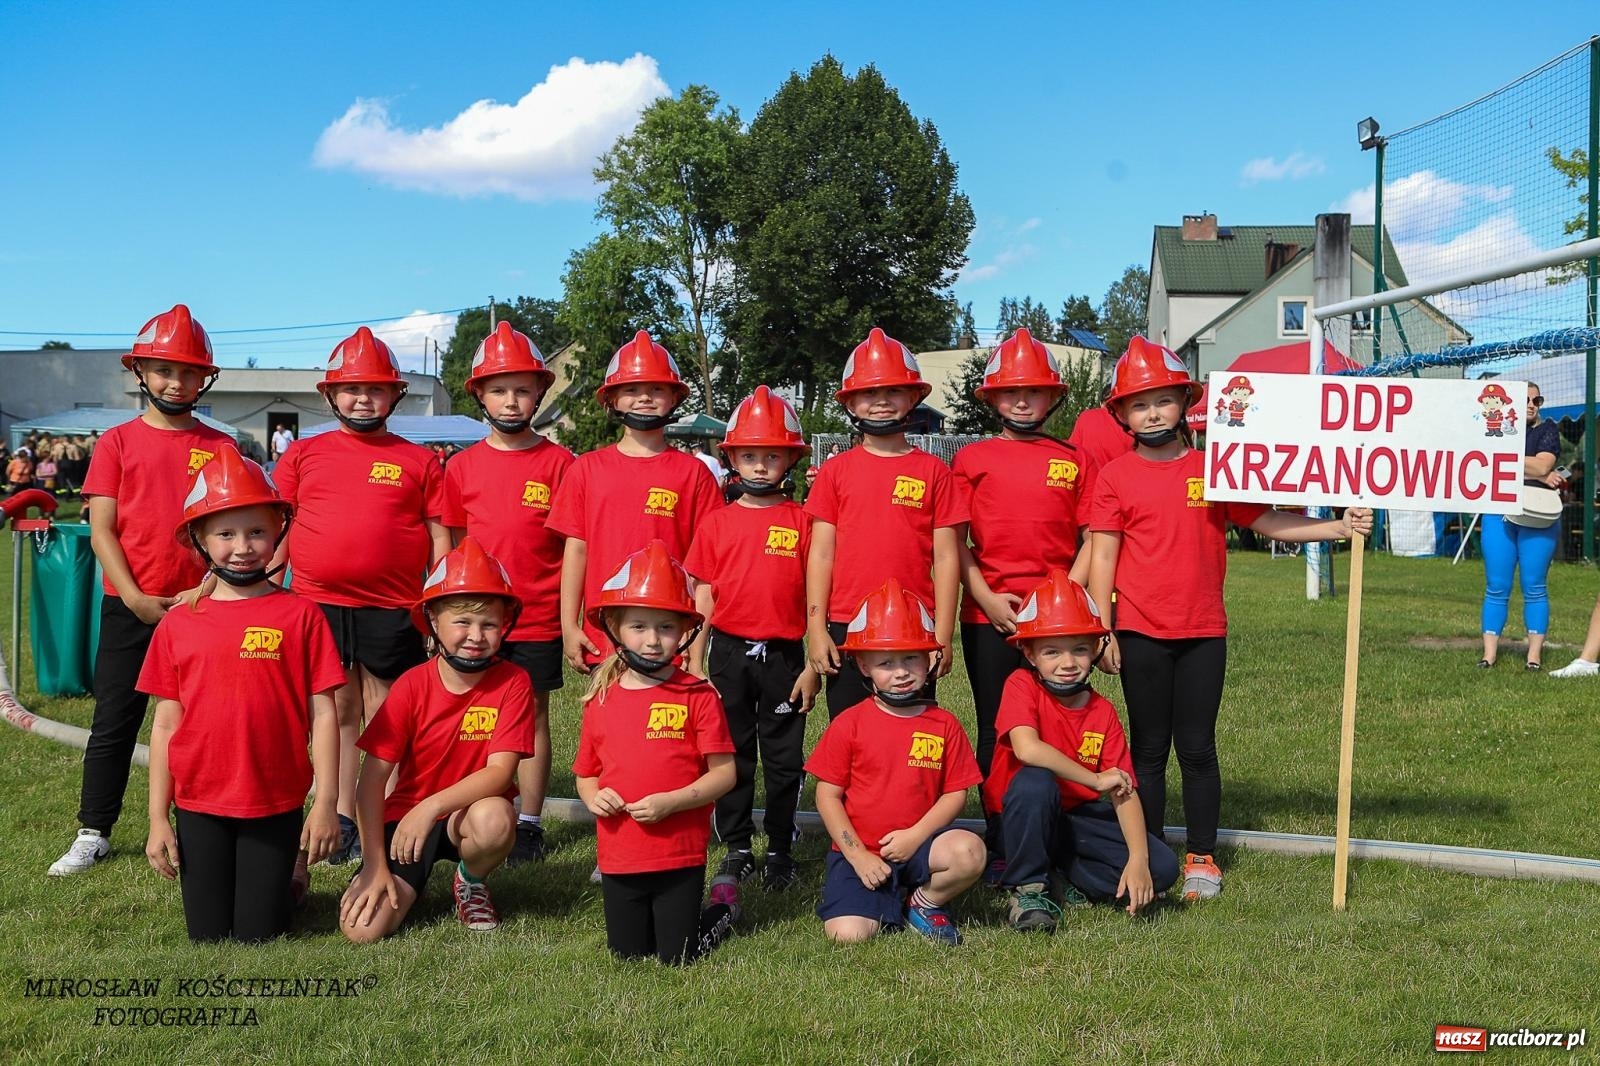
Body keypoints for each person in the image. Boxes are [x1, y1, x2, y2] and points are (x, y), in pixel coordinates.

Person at [1086, 337, 1371, 901]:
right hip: (1138, 632)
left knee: (1197, 748)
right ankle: (1149, 854)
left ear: (1184, 405)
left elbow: (1267, 519)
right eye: (1139, 405)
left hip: (1202, 633)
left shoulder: (1214, 468)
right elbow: (1102, 557)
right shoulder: (1114, 477)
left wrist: (1338, 528)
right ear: (1120, 413)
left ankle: (1202, 857)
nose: (1152, 413)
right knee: (1147, 749)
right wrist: (1103, 629)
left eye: (1163, 401)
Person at [49, 304, 235, 877]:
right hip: (130, 605)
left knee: (202, 725)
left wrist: (206, 586)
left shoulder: (221, 445)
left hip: (201, 607)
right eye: (163, 371)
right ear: (140, 373)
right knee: (115, 720)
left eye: (187, 372)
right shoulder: (117, 443)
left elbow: (232, 529)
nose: (175, 383)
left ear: (204, 378)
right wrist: (131, 596)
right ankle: (93, 831)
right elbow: (103, 530)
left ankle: (205, 825)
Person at [141, 448, 344, 941]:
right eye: (226, 534)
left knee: (259, 934)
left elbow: (324, 716)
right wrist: (157, 820)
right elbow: (166, 725)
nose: (243, 546)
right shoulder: (178, 622)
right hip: (199, 801)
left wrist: (325, 803)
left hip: (274, 799)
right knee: (207, 936)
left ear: (277, 531)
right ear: (200, 540)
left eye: (256, 531)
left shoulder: (302, 616)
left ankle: (288, 880)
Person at [274, 327, 450, 865]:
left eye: (374, 389)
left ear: (394, 395)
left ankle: (386, 815)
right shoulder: (303, 455)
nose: (362, 399)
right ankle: (342, 816)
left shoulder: (419, 461)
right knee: (336, 707)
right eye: (351, 389)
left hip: (392, 605)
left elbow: (441, 535)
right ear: (330, 395)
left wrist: (439, 602)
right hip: (316, 602)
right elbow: (277, 527)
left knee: (387, 710)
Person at [339, 538, 533, 941]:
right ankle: (401, 875)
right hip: (406, 818)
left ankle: (470, 880)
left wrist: (433, 807)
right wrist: (375, 864)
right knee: (361, 930)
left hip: (463, 815)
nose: (476, 635)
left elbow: (500, 774)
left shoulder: (514, 682)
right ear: (432, 621)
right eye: (462, 621)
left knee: (495, 819)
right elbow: (372, 781)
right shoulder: (412, 684)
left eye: (489, 624)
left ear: (506, 626)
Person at [952, 328, 1092, 876]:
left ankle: (1055, 828)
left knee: (1058, 722)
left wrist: (1064, 600)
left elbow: (1092, 541)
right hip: (989, 614)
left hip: (1056, 621)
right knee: (996, 725)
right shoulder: (972, 459)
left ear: (1053, 397)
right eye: (1011, 392)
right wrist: (985, 597)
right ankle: (1000, 836)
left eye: (1034, 391)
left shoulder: (1075, 460)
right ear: (991, 399)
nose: (1022, 401)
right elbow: (953, 544)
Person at [684, 386, 819, 911]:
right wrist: (697, 659)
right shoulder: (716, 521)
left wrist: (811, 663)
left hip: (785, 656)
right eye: (749, 456)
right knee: (732, 753)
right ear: (732, 459)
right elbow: (704, 593)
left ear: (789, 459)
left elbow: (816, 597)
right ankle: (737, 845)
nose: (760, 466)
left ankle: (781, 846)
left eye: (771, 455)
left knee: (783, 759)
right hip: (728, 655)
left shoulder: (804, 522)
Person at [443, 322, 573, 866]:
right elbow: (450, 546)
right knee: (472, 714)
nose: (511, 401)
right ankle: (473, 807)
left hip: (538, 614)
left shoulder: (561, 464)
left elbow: (572, 549)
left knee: (533, 716)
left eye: (522, 389)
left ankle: (530, 821)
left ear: (539, 393)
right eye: (499, 389)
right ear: (479, 394)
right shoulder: (461, 466)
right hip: (476, 618)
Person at [984, 570, 1178, 931]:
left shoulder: (1102, 710)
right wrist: (1093, 779)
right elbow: (1026, 749)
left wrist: (1138, 858)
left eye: (1079, 649)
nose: (1067, 663)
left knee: (1162, 868)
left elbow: (1122, 788)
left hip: (1074, 818)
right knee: (1035, 782)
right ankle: (1028, 888)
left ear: (1095, 649)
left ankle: (1065, 877)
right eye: (1052, 651)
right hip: (1021, 818)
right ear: (1028, 653)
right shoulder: (1020, 685)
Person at [573, 541, 738, 964]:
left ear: (684, 631)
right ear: (614, 625)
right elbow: (586, 772)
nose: (652, 640)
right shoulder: (601, 698)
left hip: (679, 851)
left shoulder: (698, 695)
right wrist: (593, 797)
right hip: (619, 854)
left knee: (677, 956)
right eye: (639, 626)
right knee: (627, 955)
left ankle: (723, 909)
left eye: (665, 628)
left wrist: (673, 802)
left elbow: (724, 775)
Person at [806, 579, 985, 944]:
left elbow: (955, 795)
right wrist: (858, 857)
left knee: (971, 852)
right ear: (863, 665)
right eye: (886, 662)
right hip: (861, 852)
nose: (901, 672)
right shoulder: (850, 723)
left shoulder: (944, 724)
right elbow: (827, 796)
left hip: (920, 847)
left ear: (929, 658)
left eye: (911, 658)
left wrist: (915, 836)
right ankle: (878, 897)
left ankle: (924, 901)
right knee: (848, 936)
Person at [805, 328, 968, 717]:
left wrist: (942, 635)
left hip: (915, 625)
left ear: (914, 398)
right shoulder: (835, 472)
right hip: (847, 622)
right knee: (850, 732)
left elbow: (947, 559)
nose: (881, 402)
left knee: (913, 732)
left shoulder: (934, 472)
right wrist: (816, 628)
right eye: (869, 393)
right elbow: (821, 554)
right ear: (851, 402)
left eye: (893, 392)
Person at [548, 331, 721, 676]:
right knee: (612, 723)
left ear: (674, 397)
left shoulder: (695, 474)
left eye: (657, 389)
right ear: (611, 399)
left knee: (667, 728)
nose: (645, 398)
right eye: (631, 390)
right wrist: (569, 625)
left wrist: (694, 635)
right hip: (608, 633)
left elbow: (707, 568)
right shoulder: (586, 469)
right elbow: (576, 550)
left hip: (671, 631)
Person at [1480, 381, 1562, 670]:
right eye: (1525, 399)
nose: (1530, 404)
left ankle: (1534, 657)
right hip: (1498, 512)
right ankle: (1488, 656)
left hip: (1537, 516)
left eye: (1536, 400)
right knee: (1496, 586)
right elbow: (1485, 460)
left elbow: (1542, 465)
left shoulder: (1548, 430)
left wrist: (1532, 470)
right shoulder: (1496, 427)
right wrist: (1539, 475)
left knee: (1534, 586)